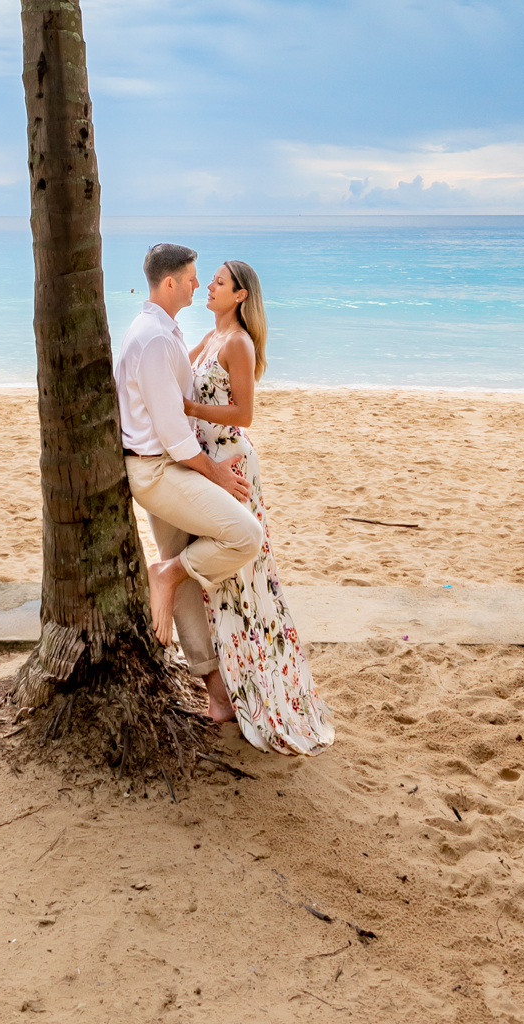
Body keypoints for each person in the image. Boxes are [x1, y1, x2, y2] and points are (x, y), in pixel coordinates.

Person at [183, 259, 334, 753]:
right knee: (223, 582)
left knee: (244, 576)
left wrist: (189, 410)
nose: (209, 286)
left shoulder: (238, 344)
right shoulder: (206, 339)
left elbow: (243, 414)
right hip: (206, 464)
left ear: (241, 295)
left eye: (219, 283)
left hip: (231, 466)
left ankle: (257, 687)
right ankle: (228, 687)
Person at [114, 242, 263, 723]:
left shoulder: (168, 330)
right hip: (159, 470)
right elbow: (175, 430)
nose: (201, 284)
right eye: (195, 277)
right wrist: (214, 471)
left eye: (210, 278)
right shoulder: (155, 339)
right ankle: (168, 573)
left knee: (180, 570)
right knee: (243, 536)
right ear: (171, 282)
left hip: (165, 465)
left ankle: (216, 695)